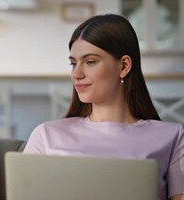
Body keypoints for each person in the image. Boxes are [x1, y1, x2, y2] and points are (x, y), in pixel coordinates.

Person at [24, 14, 184, 200]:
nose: (76, 73)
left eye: (90, 61)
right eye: (73, 63)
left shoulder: (173, 137)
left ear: (124, 66)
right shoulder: (46, 135)